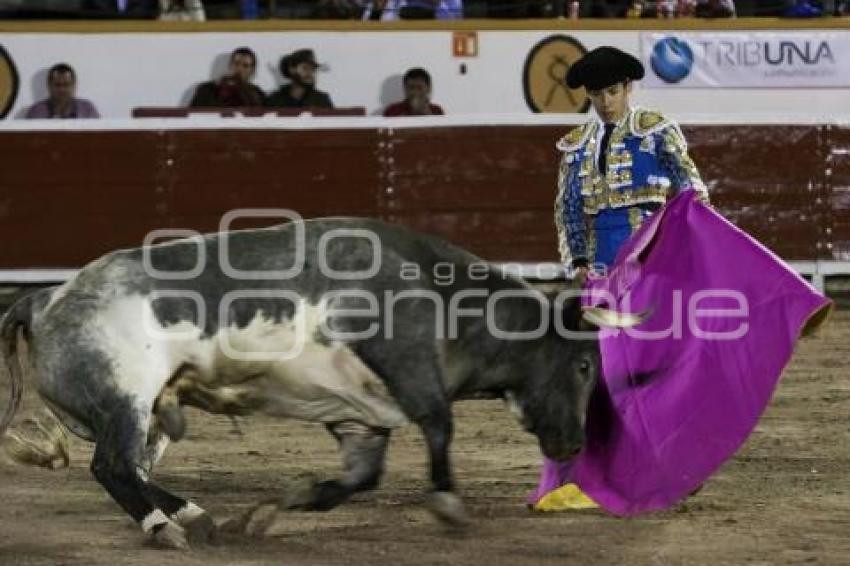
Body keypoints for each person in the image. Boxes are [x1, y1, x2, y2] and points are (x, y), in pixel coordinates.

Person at [539, 45, 709, 511]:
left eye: (613, 91)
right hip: (600, 273)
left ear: (628, 88)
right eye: (597, 94)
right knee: (602, 377)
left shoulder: (656, 132)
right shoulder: (575, 145)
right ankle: (599, 472)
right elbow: (568, 209)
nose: (606, 102)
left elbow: (692, 189)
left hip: (650, 268)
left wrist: (688, 244)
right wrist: (577, 261)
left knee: (656, 371)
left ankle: (677, 464)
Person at [189, 47, 265, 108]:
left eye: (245, 66)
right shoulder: (206, 90)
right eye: (236, 63)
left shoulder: (257, 94)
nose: (239, 69)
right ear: (230, 65)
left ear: (252, 71)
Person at [24, 63, 100, 119]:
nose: (62, 90)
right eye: (57, 85)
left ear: (74, 86)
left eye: (66, 85)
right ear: (49, 86)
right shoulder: (37, 111)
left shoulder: (87, 109)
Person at [265, 49, 334, 110]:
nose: (310, 73)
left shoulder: (322, 100)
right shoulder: (275, 100)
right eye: (305, 68)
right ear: (292, 69)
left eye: (313, 69)